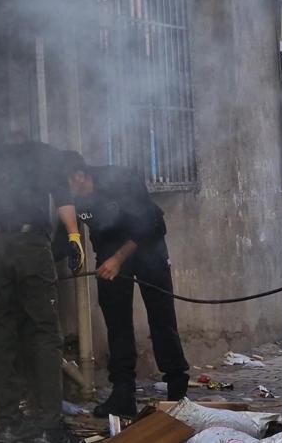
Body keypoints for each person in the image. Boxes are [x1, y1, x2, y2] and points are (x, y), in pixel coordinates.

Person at [0, 138, 85, 443]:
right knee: (43, 332)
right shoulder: (45, 153)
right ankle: (48, 425)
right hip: (30, 246)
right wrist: (73, 235)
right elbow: (64, 198)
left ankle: (9, 424)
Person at [62, 152, 190, 418]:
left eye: (67, 185)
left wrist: (119, 259)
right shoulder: (76, 199)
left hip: (147, 247)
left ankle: (177, 393)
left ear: (79, 176)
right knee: (116, 322)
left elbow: (149, 225)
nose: (65, 193)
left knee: (162, 317)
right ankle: (123, 394)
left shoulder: (120, 179)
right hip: (109, 252)